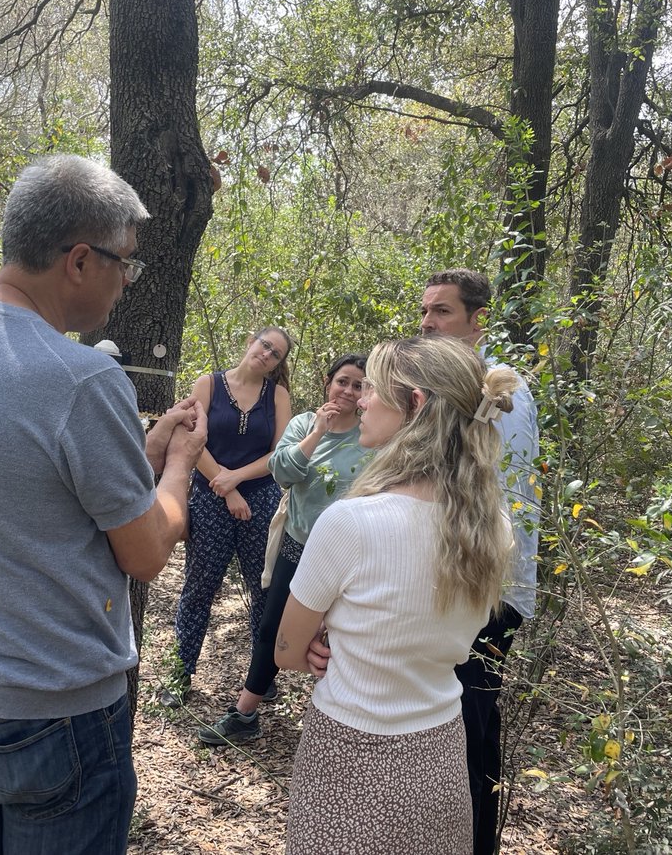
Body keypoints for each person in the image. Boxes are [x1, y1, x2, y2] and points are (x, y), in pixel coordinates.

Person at [0, 154, 207, 855]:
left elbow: (31, 491)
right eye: (126, 263)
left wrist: (142, 453)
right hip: (51, 717)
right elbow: (148, 552)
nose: (128, 281)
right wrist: (179, 466)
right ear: (79, 261)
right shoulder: (80, 377)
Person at [275, 336, 520, 854]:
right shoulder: (492, 528)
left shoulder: (351, 522)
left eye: (372, 388)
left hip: (348, 753)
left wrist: (325, 634)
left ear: (415, 404)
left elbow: (287, 653)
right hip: (441, 756)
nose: (360, 399)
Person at [420, 267, 541, 855]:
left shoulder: (503, 394)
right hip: (457, 581)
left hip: (489, 589)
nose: (427, 322)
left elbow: (502, 500)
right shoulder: (452, 387)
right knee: (457, 724)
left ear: (477, 321)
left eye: (441, 311)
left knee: (470, 726)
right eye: (425, 311)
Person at [197, 353, 370, 745]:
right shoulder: (304, 423)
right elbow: (283, 473)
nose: (348, 390)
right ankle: (245, 714)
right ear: (328, 382)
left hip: (348, 557)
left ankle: (338, 724)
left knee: (343, 636)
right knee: (272, 626)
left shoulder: (371, 435)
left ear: (366, 394)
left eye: (358, 385)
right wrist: (318, 433)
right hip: (299, 544)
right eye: (343, 381)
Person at [161, 327, 292, 706]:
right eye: (265, 345)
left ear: (278, 364)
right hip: (209, 502)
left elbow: (279, 454)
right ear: (251, 341)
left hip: (260, 503)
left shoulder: (277, 396)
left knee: (262, 589)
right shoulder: (209, 384)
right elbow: (192, 439)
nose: (267, 354)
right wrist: (226, 487)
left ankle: (261, 677)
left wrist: (238, 479)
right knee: (199, 587)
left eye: (276, 354)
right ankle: (179, 673)